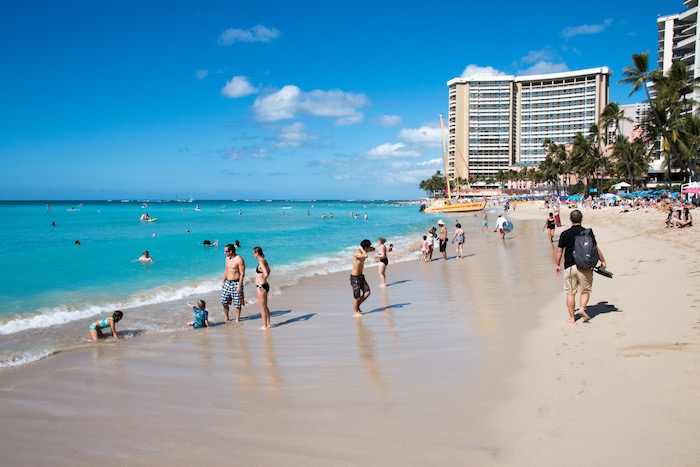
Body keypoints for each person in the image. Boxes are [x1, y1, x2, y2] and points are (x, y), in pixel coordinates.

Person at [555, 210, 607, 324]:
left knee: (570, 293)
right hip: (584, 266)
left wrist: (557, 264)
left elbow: (559, 251)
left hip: (570, 267)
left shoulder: (564, 234)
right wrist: (602, 261)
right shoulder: (587, 233)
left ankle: (572, 318)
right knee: (585, 291)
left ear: (570, 219)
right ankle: (582, 308)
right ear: (581, 219)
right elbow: (595, 249)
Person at [221, 243, 245, 322]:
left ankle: (237, 319)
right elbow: (226, 270)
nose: (225, 253)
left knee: (237, 303)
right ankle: (227, 317)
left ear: (231, 251)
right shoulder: (226, 259)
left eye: (226, 251)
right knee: (224, 301)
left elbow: (242, 273)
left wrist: (239, 285)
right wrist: (223, 281)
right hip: (228, 282)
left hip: (236, 282)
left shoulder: (239, 259)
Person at [351, 239, 374, 316]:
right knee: (356, 296)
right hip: (355, 277)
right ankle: (355, 312)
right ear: (365, 248)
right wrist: (360, 248)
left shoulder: (364, 252)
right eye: (368, 247)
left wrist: (367, 248)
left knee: (367, 292)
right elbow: (365, 256)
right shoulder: (357, 254)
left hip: (361, 276)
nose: (369, 248)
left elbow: (373, 249)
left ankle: (357, 305)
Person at [253, 246, 271, 330]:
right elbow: (269, 270)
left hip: (261, 286)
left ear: (257, 253)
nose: (253, 255)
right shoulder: (264, 260)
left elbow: (266, 273)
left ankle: (264, 325)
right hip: (265, 285)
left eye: (253, 253)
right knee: (265, 306)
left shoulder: (261, 262)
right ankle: (268, 324)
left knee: (262, 307)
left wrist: (262, 281)